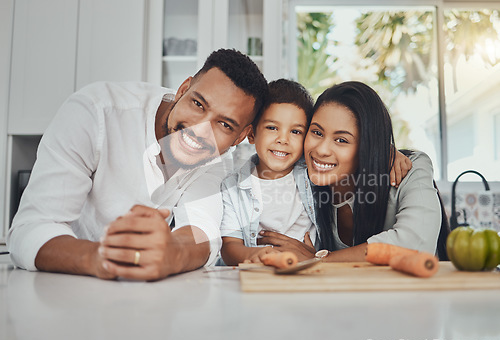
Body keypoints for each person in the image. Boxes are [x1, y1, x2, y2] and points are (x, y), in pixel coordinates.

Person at [7, 49, 268, 280]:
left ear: (241, 136)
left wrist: (172, 253)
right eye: (198, 104)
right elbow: (30, 228)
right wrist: (102, 257)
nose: (200, 131)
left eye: (224, 124)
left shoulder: (218, 156)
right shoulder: (95, 112)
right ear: (182, 89)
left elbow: (203, 230)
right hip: (62, 286)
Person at [257, 81, 441, 261]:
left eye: (341, 140)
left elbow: (417, 244)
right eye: (317, 133)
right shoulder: (301, 176)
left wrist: (320, 259)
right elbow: (267, 147)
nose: (321, 150)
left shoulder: (410, 169)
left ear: (368, 146)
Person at [219, 79, 318, 265]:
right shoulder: (232, 187)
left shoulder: (313, 177)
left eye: (295, 132)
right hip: (257, 275)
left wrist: (390, 156)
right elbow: (230, 246)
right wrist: (258, 256)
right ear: (251, 134)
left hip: (306, 274)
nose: (283, 139)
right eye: (272, 128)